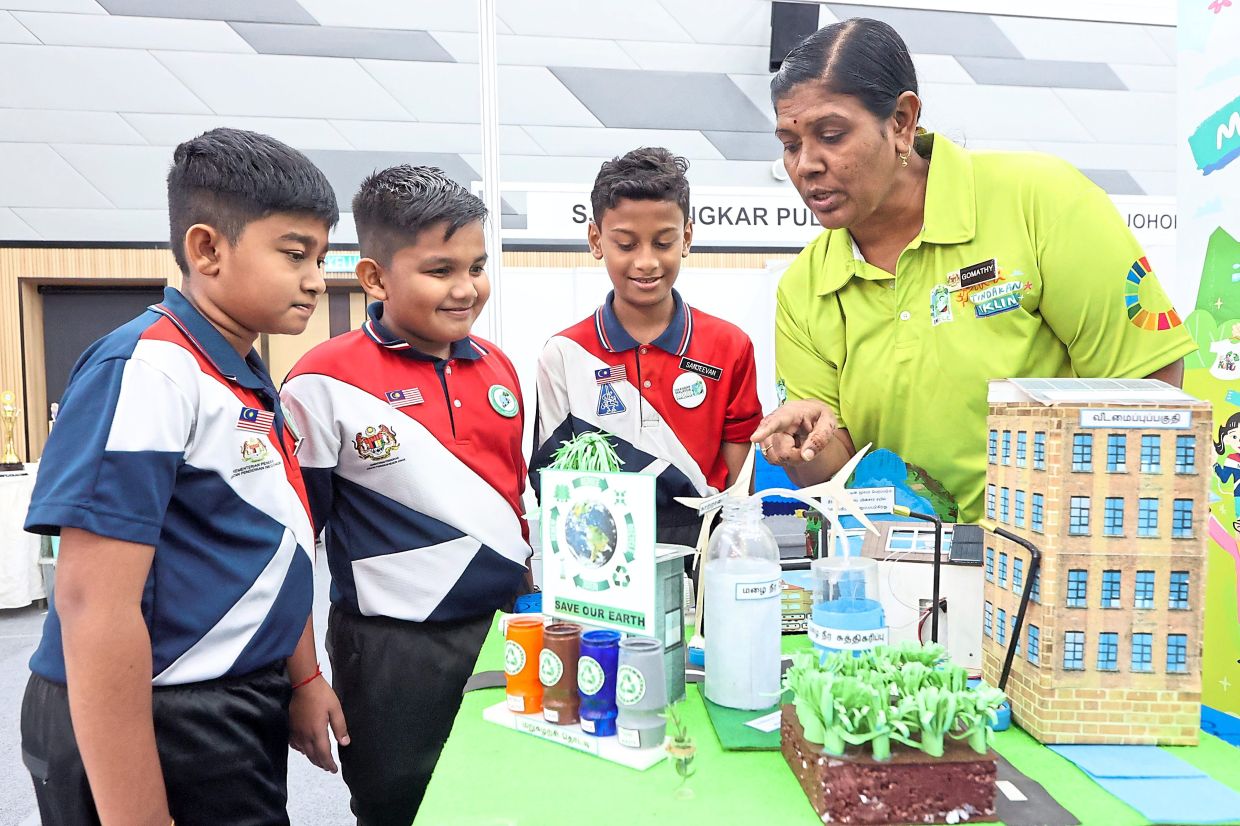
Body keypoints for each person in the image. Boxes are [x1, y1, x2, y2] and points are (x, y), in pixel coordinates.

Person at [751, 19, 1196, 522]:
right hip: (903, 575)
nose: (805, 164)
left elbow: (1148, 386)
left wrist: (1086, 534)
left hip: (1049, 558)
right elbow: (838, 474)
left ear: (901, 120)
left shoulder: (1038, 202)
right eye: (790, 144)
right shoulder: (805, 287)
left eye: (831, 135)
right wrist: (805, 444)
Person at [20, 127, 340, 826]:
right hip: (155, 712)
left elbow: (265, 545)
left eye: (321, 255)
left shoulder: (242, 373)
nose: (317, 277)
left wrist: (304, 676)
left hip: (231, 703)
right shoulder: (148, 369)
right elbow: (91, 605)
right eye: (295, 254)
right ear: (206, 249)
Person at [280, 165, 531, 826]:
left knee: (510, 801)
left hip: (505, 637)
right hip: (392, 656)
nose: (466, 288)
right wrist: (304, 679)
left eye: (477, 266)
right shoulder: (322, 380)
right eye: (440, 270)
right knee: (403, 811)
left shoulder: (499, 368)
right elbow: (286, 550)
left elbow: (514, 512)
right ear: (374, 277)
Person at [529, 147, 762, 548]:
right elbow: (551, 481)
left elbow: (741, 483)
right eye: (626, 244)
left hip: (704, 547)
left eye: (663, 242)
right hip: (605, 546)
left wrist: (738, 554)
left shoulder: (730, 345)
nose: (646, 262)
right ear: (596, 240)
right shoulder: (564, 353)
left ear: (687, 237)